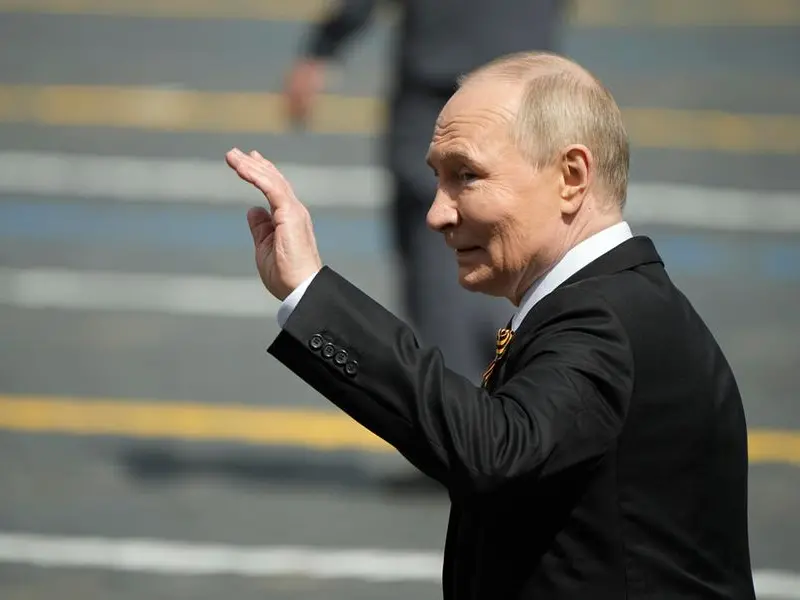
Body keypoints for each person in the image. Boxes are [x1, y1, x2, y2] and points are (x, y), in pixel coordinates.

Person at [228, 52, 756, 599]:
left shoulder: (603, 318)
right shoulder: (611, 300)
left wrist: (312, 293)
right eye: (438, 178)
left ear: (571, 177)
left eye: (467, 176)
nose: (437, 213)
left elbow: (498, 449)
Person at [283, 0, 568, 386]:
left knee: (439, 269)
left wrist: (323, 47)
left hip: (439, 89)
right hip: (526, 86)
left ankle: (466, 403)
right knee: (522, 251)